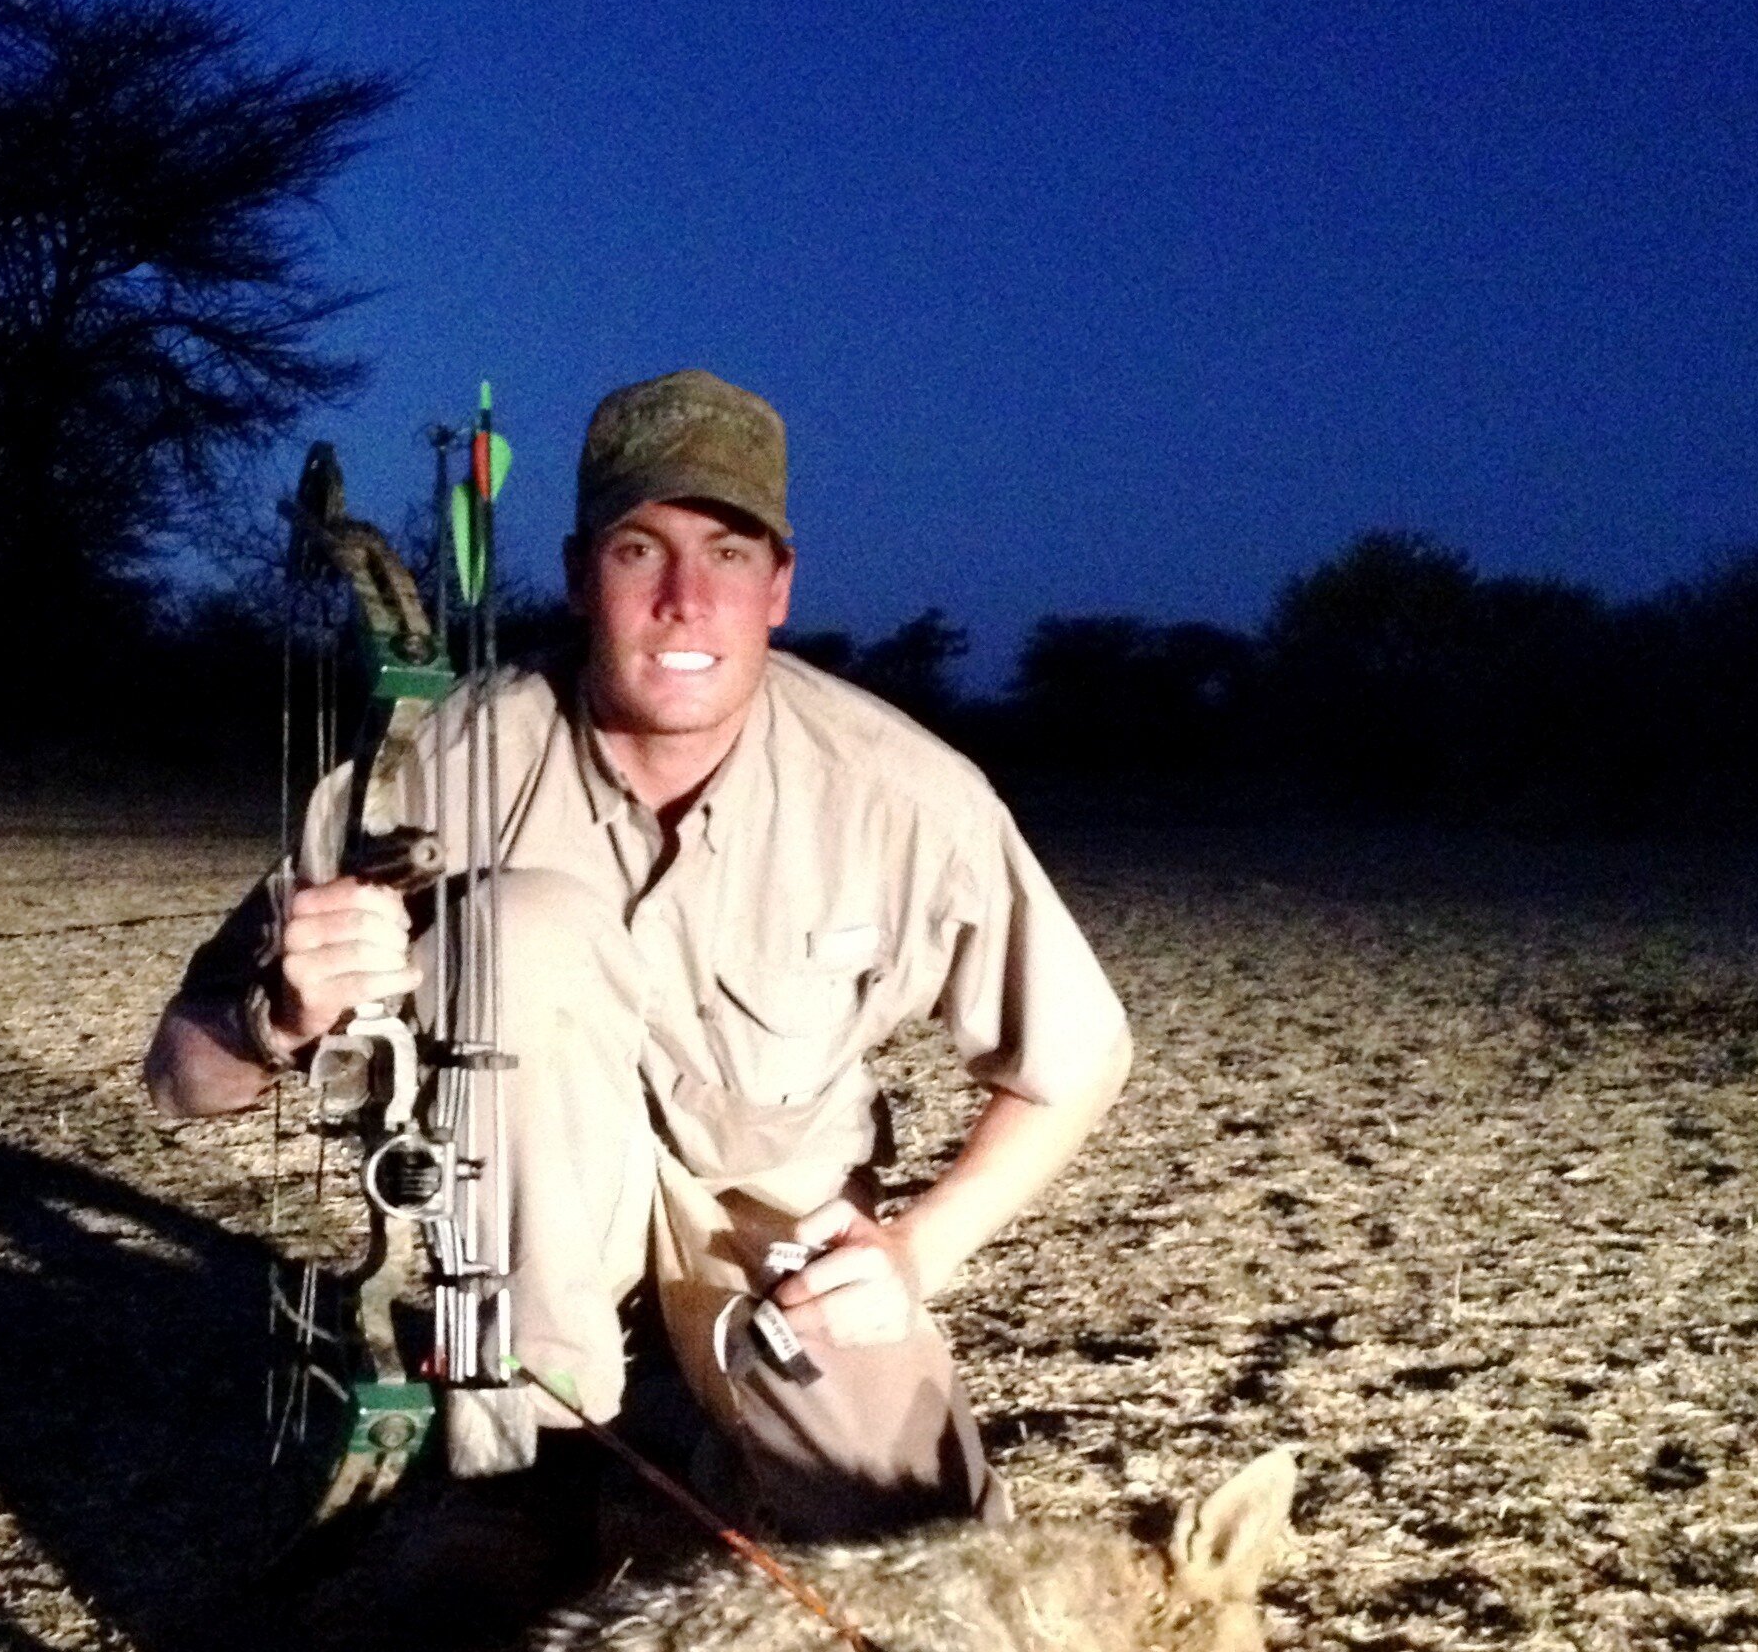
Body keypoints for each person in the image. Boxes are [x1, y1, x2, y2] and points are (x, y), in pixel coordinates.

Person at [144, 369, 1132, 1540]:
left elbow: (1078, 1060)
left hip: (777, 1246)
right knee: (521, 925)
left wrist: (916, 1252)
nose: (682, 599)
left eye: (726, 553)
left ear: (779, 587)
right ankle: (534, 1463)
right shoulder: (430, 766)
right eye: (636, 551)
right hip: (533, 1292)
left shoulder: (906, 791)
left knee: (912, 1529)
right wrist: (279, 1015)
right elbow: (177, 1078)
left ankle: (690, 1425)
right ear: (576, 577)